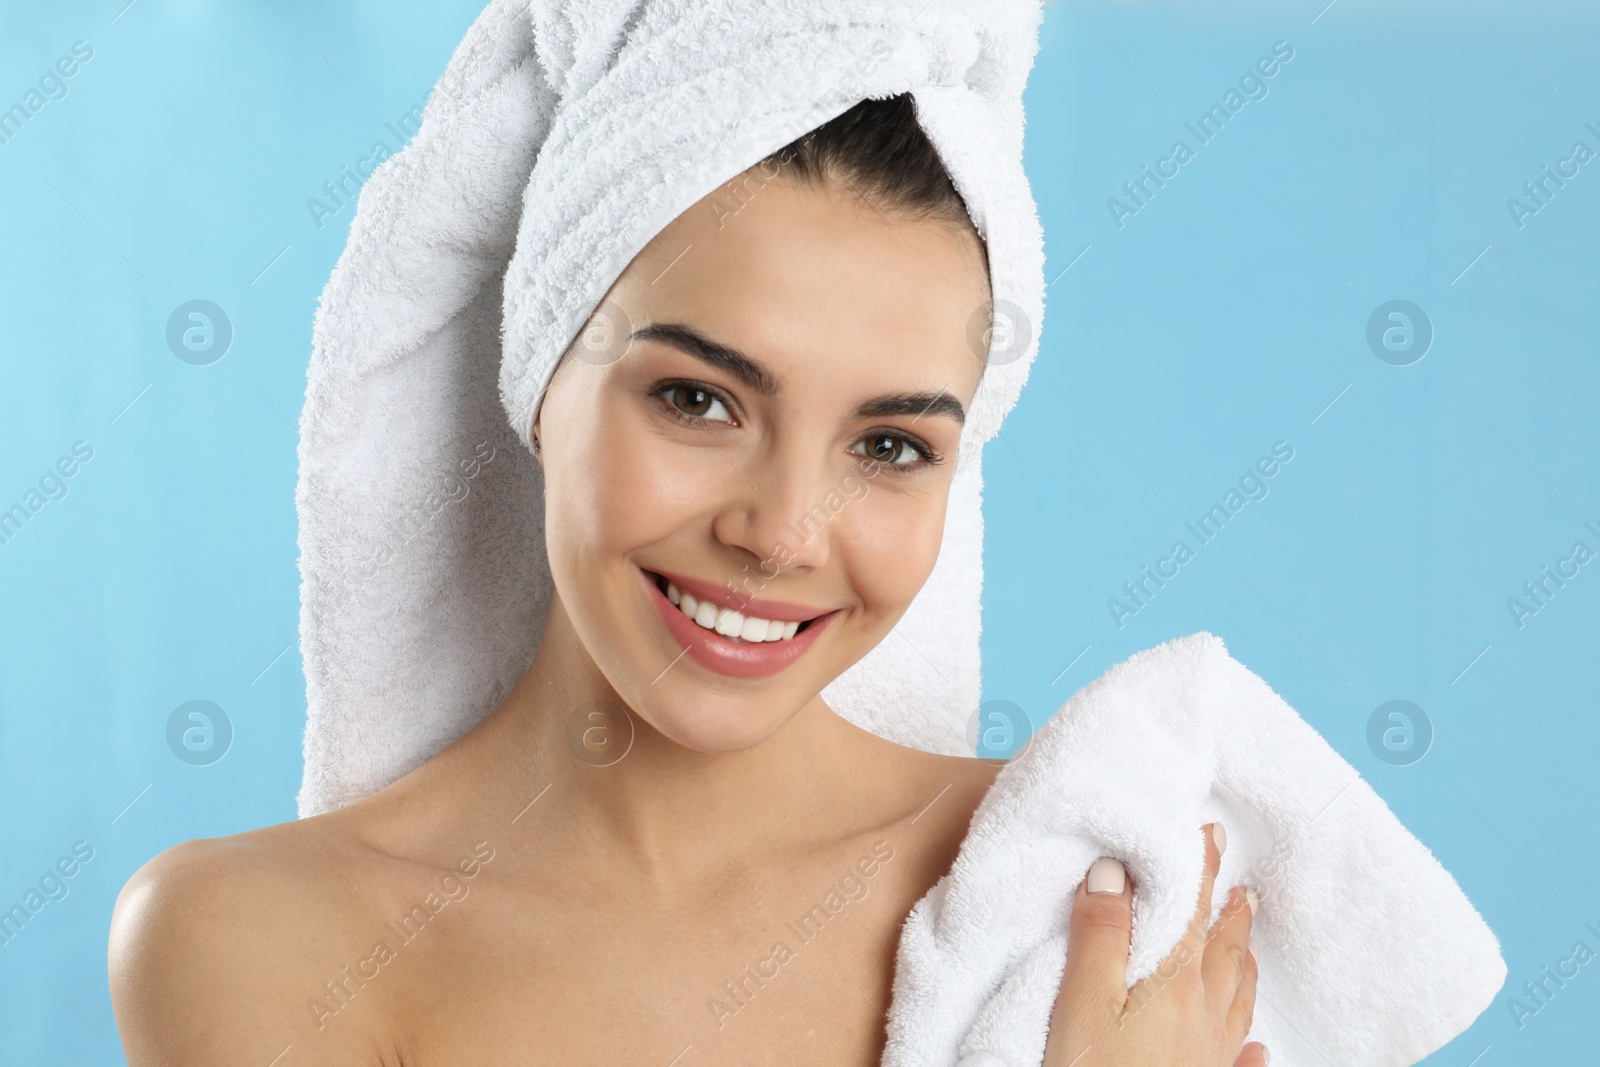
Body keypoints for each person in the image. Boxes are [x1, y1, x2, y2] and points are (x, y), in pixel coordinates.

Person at [109, 94, 1265, 1066]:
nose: (780, 534)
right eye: (698, 399)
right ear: (541, 383)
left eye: (889, 446)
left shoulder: (1099, 883)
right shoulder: (260, 937)